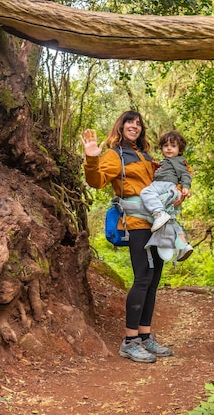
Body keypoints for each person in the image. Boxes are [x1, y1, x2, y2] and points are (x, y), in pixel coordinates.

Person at [80, 110, 182, 364]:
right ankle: (129, 341)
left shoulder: (146, 156)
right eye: (129, 122)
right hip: (137, 223)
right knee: (143, 278)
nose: (134, 126)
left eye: (138, 123)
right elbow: (97, 181)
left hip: (158, 223)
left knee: (154, 278)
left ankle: (145, 336)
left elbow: (161, 184)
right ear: (121, 126)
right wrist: (92, 159)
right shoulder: (116, 155)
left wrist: (178, 190)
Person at [140, 131, 193, 262]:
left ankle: (158, 213)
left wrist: (185, 187)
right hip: (165, 186)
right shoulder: (166, 162)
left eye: (173, 146)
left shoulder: (178, 161)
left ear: (179, 149)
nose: (169, 148)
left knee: (145, 193)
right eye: (166, 145)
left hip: (165, 185)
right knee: (172, 219)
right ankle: (183, 245)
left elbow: (185, 174)